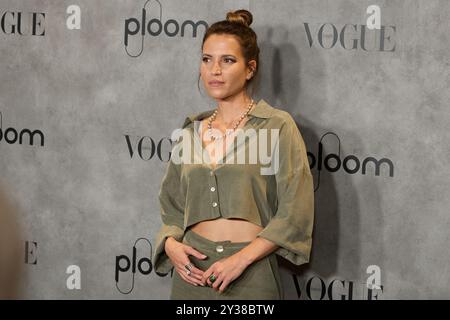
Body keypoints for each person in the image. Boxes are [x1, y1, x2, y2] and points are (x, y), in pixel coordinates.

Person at [152, 9, 314, 300]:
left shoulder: (276, 126)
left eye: (227, 60)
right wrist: (170, 244)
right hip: (193, 272)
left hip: (249, 272)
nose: (214, 70)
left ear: (250, 68)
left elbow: (295, 211)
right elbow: (172, 207)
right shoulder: (191, 130)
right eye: (206, 59)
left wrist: (241, 260)